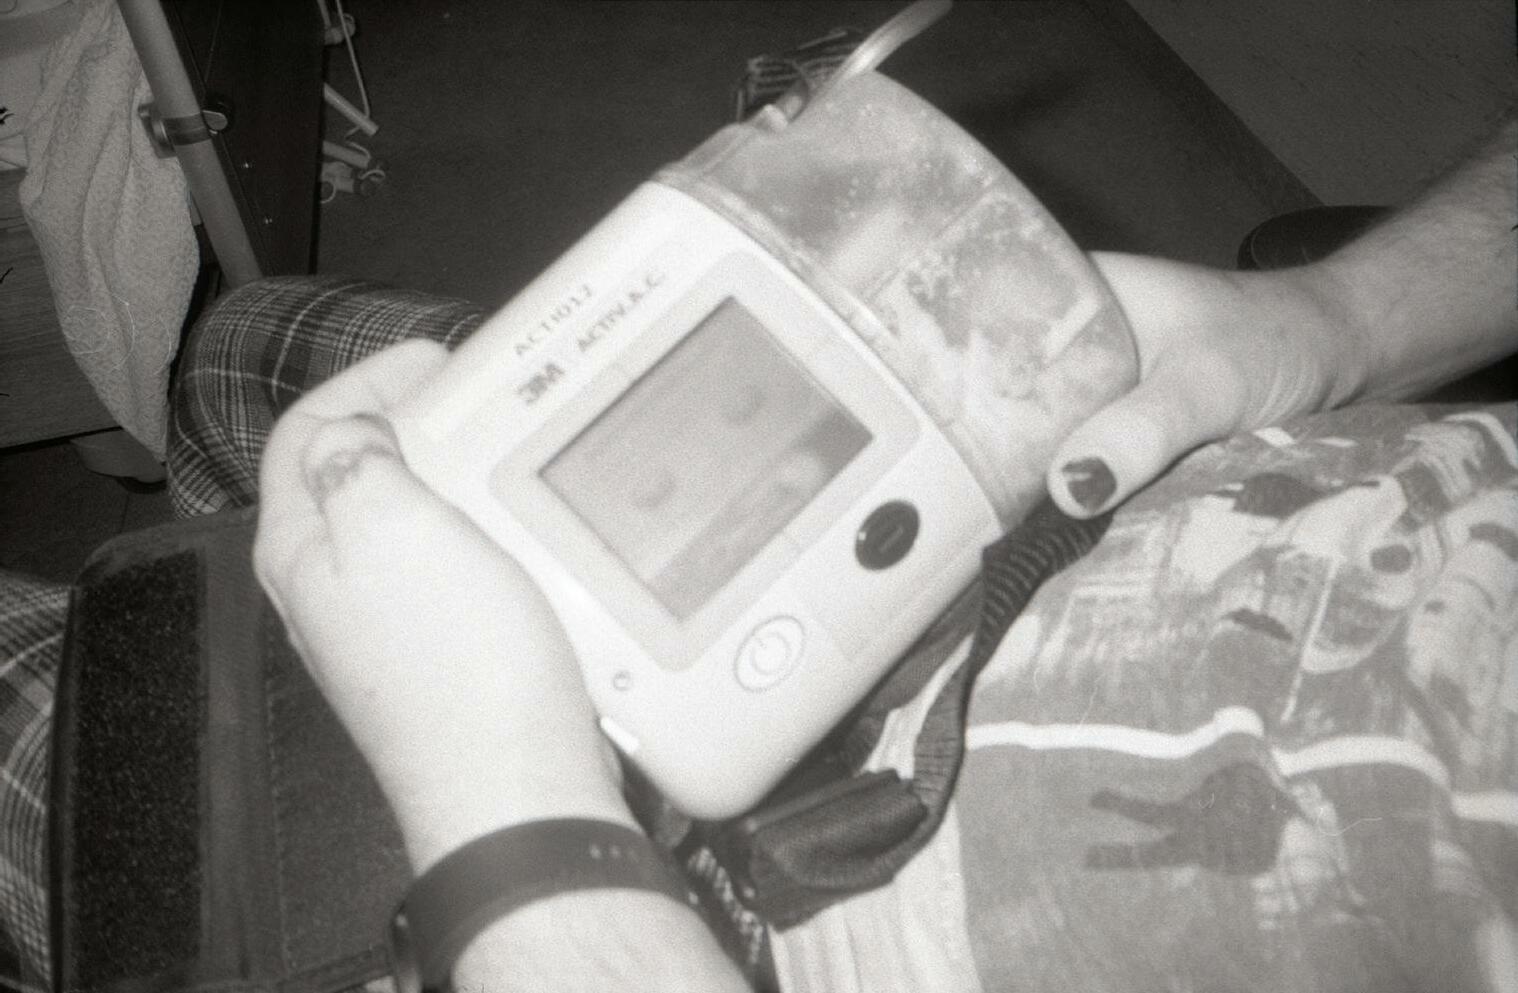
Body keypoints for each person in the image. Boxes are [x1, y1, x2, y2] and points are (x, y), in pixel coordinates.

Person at [0, 107, 1511, 993]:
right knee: (244, 354)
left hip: (650, 894)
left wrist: (509, 823)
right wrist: (1338, 316)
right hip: (1037, 511)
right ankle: (221, 594)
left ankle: (170, 656)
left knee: (70, 694)